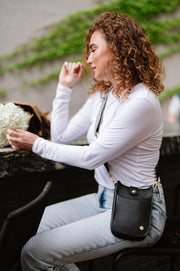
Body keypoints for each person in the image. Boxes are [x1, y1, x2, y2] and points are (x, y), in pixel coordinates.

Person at [7, 12, 166, 271]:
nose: (88, 59)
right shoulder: (103, 97)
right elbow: (61, 137)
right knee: (26, 230)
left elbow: (92, 156)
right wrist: (64, 88)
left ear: (118, 48)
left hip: (137, 211)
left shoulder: (142, 102)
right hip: (103, 199)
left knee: (35, 253)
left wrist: (34, 143)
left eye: (94, 49)